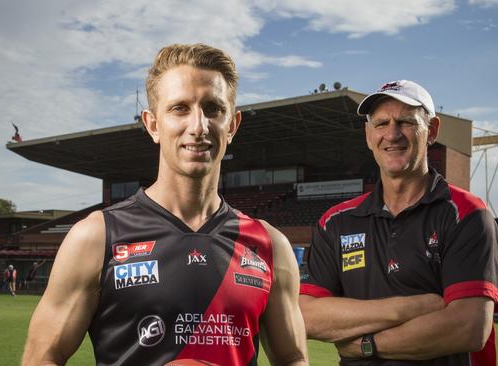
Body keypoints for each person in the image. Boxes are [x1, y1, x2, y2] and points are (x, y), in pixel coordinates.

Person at [23, 44, 308, 365]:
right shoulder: (96, 238)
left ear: (232, 124)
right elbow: (42, 357)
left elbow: (292, 357)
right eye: (180, 108)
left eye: (213, 108)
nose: (198, 126)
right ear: (153, 124)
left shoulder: (270, 245)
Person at [299, 80, 498, 365]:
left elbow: (468, 327)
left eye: (406, 122)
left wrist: (367, 345)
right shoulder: (336, 222)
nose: (392, 134)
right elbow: (308, 316)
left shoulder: (466, 214)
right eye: (381, 123)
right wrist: (409, 308)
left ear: (431, 131)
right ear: (368, 134)